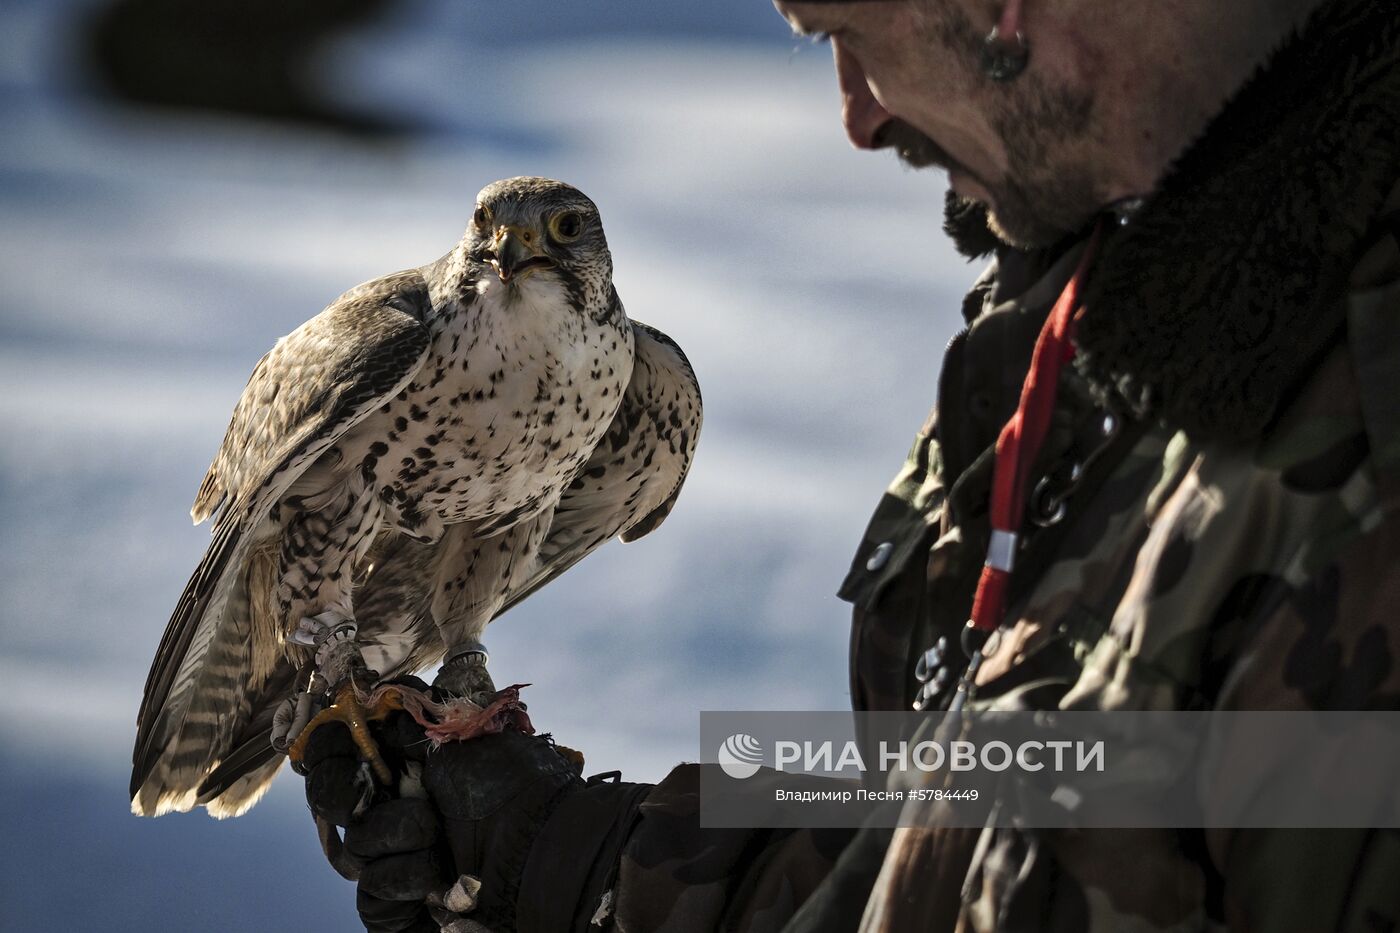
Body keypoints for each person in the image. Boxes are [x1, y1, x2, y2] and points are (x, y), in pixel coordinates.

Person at [301, 0, 1400, 929]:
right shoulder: (1080, 298)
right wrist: (585, 855)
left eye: (845, 29)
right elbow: (984, 786)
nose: (857, 115)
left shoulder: (1358, 393)